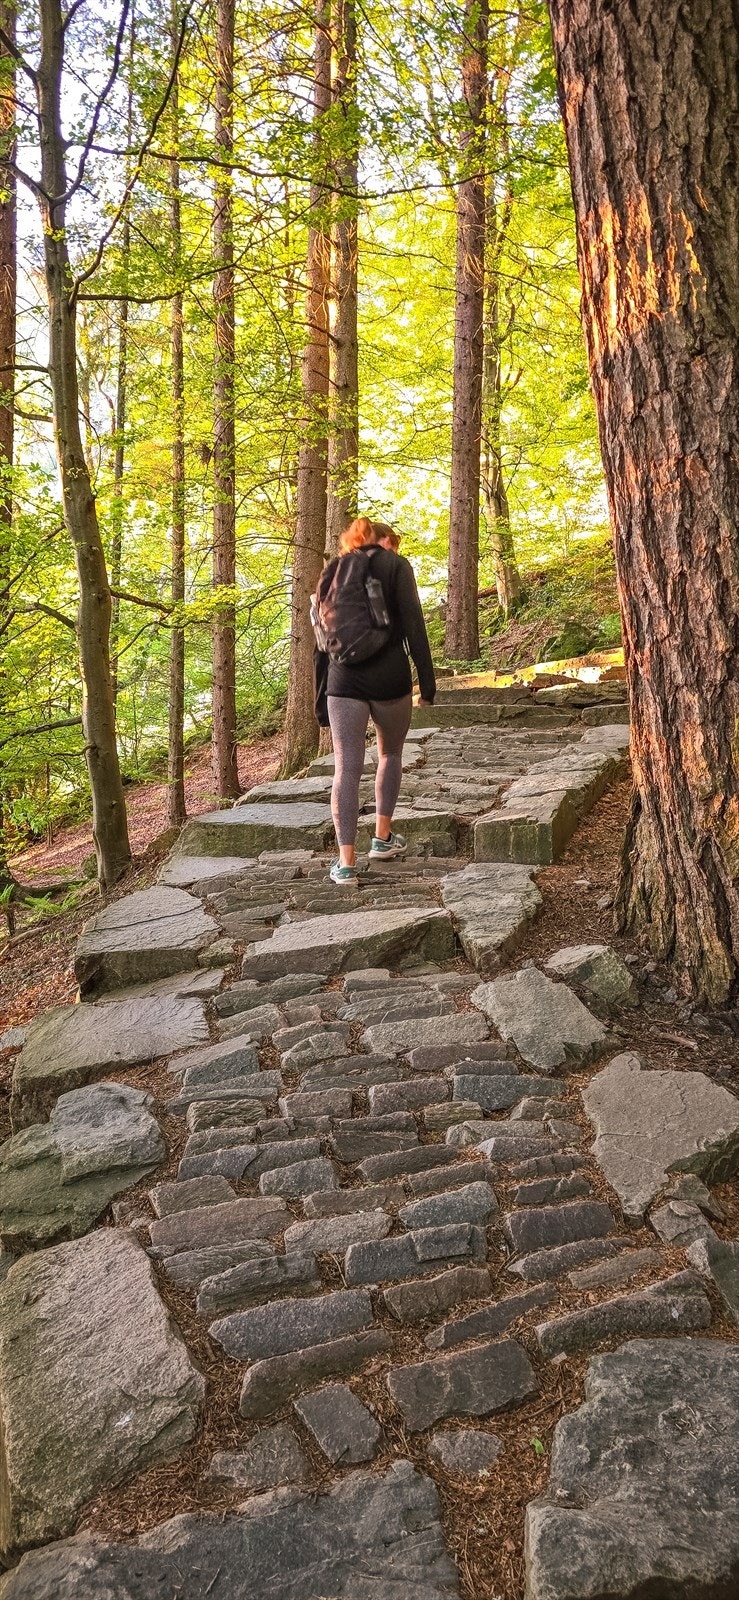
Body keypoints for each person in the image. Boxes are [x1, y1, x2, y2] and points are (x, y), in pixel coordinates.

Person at [314, 517, 436, 885]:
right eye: (393, 542)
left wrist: (320, 699)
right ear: (384, 541)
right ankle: (382, 839)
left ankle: (345, 863)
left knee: (346, 768)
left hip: (342, 681)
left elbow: (321, 638)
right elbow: (415, 624)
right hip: (390, 679)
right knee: (390, 755)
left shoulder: (332, 570)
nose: (395, 548)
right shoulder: (395, 565)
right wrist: (427, 684)